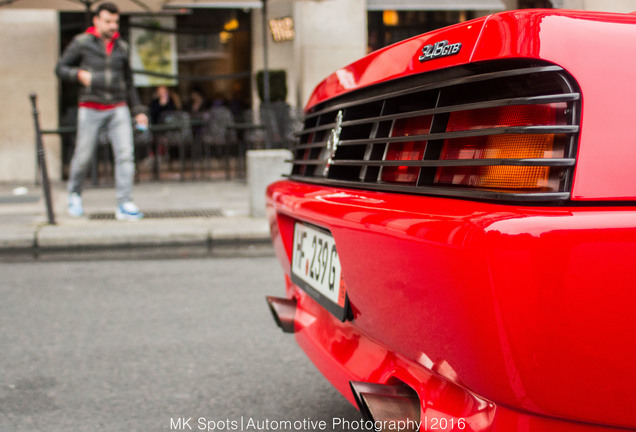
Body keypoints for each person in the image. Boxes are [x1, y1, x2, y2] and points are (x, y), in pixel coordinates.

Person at [56, 2, 148, 221]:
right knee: (84, 155)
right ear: (96, 21)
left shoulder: (122, 47)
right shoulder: (82, 42)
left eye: (115, 21)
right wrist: (78, 74)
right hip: (91, 106)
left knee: (125, 154)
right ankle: (75, 194)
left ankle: (124, 202)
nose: (112, 26)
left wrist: (138, 110)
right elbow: (60, 68)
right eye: (108, 21)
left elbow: (129, 82)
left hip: (118, 106)